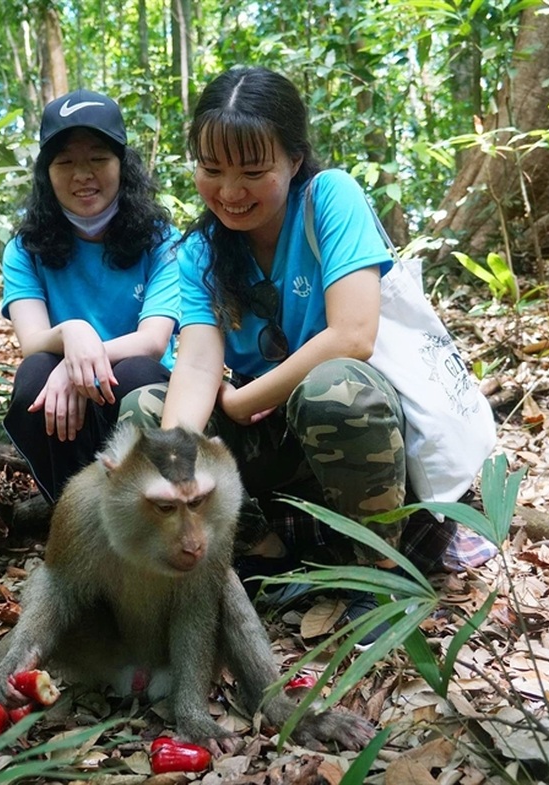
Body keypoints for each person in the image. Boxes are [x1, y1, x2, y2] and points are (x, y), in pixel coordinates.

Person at [119, 65, 455, 647]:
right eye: (211, 169)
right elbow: (197, 364)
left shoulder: (329, 199)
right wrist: (174, 457)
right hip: (269, 444)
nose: (229, 192)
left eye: (253, 171)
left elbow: (353, 334)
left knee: (335, 386)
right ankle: (254, 555)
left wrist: (245, 397)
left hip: (352, 435)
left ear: (294, 160)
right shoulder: (200, 251)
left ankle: (373, 572)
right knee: (146, 410)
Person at [1, 88, 179, 504]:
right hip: (68, 415)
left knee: (137, 375)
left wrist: (76, 366)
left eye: (98, 159)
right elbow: (33, 342)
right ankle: (73, 513)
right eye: (65, 162)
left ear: (123, 165)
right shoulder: (25, 249)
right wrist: (72, 334)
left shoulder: (161, 239)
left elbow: (153, 341)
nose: (82, 175)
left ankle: (146, 510)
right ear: (47, 173)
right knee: (34, 377)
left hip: (137, 395)